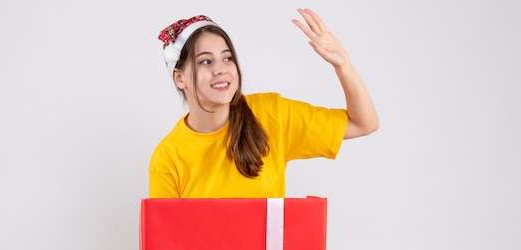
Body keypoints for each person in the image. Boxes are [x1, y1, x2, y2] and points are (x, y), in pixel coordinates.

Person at [149, 8, 379, 198]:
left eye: (227, 58)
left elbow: (363, 124)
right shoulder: (168, 157)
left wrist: (344, 66)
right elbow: (169, 245)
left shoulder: (271, 114)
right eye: (206, 61)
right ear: (179, 77)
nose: (221, 70)